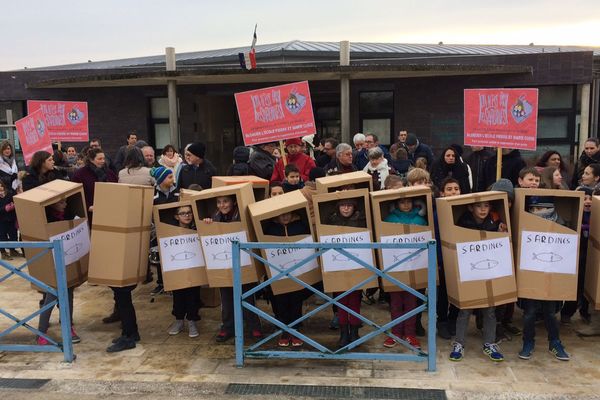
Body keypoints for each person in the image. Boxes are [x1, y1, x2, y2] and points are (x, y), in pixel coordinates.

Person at [449, 200, 507, 362]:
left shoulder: (495, 222)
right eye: (479, 206)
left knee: (489, 309)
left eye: (486, 206)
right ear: (470, 207)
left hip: (490, 270)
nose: (483, 209)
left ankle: (489, 343)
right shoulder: (463, 222)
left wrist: (502, 232)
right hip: (469, 270)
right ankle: (459, 343)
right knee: (465, 308)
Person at [201, 196, 262, 342]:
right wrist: (207, 224)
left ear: (233, 202)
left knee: (247, 295)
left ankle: (254, 326)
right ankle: (228, 327)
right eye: (219, 202)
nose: (222, 205)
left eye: (226, 201)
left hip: (243, 262)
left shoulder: (241, 215)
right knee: (227, 298)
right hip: (223, 264)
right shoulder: (215, 217)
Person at [519, 196, 570, 361]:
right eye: (533, 209)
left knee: (550, 312)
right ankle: (528, 342)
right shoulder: (526, 223)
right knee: (530, 312)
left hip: (552, 275)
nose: (536, 213)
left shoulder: (561, 225)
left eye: (540, 209)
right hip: (531, 275)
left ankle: (555, 342)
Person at [382, 196, 427, 349]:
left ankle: (410, 334)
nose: (406, 205)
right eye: (402, 202)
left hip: (414, 266)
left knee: (411, 303)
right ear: (396, 204)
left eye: (409, 202)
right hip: (394, 267)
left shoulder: (421, 220)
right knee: (395, 303)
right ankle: (395, 333)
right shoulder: (389, 219)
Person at [263, 211, 311, 347]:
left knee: (296, 300)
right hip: (276, 271)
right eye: (281, 214)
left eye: (288, 213)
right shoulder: (270, 228)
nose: (285, 216)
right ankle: (284, 330)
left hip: (298, 271)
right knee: (280, 300)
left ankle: (295, 329)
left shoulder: (301, 226)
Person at [36, 198, 80, 346]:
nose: (65, 205)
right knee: (50, 298)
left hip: (68, 262)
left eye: (66, 202)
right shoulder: (46, 218)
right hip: (52, 264)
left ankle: (68, 328)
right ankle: (41, 332)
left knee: (68, 297)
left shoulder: (69, 215)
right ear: (53, 204)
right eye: (61, 203)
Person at [326, 198, 367, 347]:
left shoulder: (362, 221)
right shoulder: (330, 221)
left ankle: (355, 332)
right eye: (343, 205)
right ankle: (343, 333)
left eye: (349, 205)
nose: (346, 209)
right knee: (341, 302)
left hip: (357, 265)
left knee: (355, 302)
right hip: (337, 266)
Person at [166, 205, 201, 338]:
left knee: (193, 295)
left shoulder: (196, 229)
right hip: (177, 268)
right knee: (178, 294)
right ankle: (179, 320)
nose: (187, 215)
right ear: (177, 216)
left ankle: (192, 321)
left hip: (194, 267)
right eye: (183, 213)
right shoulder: (170, 231)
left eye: (189, 213)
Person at [560, 186, 592, 324]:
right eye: (584, 198)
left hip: (590, 257)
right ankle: (567, 312)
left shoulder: (595, 216)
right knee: (574, 285)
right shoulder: (572, 214)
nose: (588, 201)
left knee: (587, 285)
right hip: (574, 255)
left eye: (591, 198)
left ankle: (585, 311)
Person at [434, 177, 461, 339]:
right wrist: (438, 260)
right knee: (443, 293)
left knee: (459, 291)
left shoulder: (464, 208)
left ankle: (454, 320)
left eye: (456, 189)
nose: (453, 192)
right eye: (449, 189)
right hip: (444, 260)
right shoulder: (438, 213)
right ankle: (442, 321)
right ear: (442, 193)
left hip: (461, 258)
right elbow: (435, 237)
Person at [72, 148, 118, 219]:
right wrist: (88, 207)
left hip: (109, 213)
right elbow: (76, 196)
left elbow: (117, 190)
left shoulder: (109, 173)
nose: (103, 161)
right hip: (89, 215)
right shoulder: (80, 174)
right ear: (91, 160)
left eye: (103, 158)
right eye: (99, 159)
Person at [0, 180, 18, 259]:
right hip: (1, 220)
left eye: (1, 185)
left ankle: (13, 250)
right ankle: (3, 253)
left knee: (13, 235)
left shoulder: (10, 193)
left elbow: (15, 202)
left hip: (11, 218)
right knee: (2, 236)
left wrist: (13, 205)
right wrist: (5, 208)